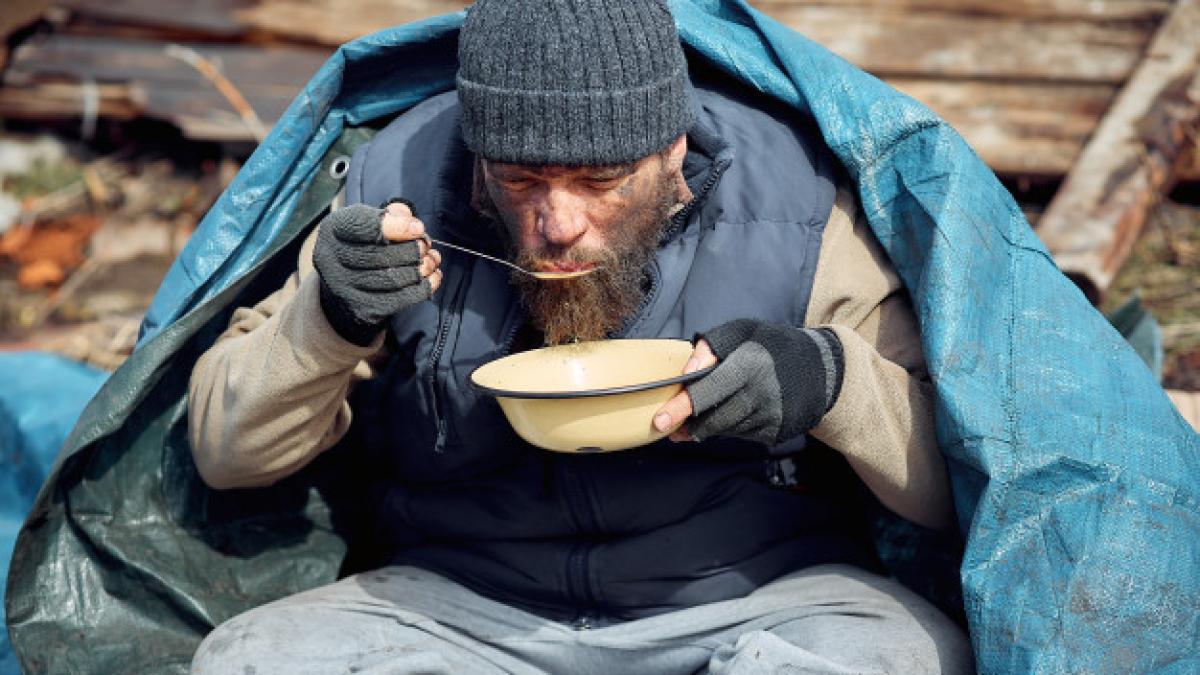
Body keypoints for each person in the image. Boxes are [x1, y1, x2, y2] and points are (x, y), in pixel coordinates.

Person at [186, 0, 974, 671]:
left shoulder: (798, 206)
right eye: (521, 179)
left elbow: (963, 490)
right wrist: (331, 317)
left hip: (759, 594)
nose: (557, 225)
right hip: (457, 607)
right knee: (246, 658)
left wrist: (828, 381)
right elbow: (226, 455)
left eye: (601, 181)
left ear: (672, 153)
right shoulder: (398, 186)